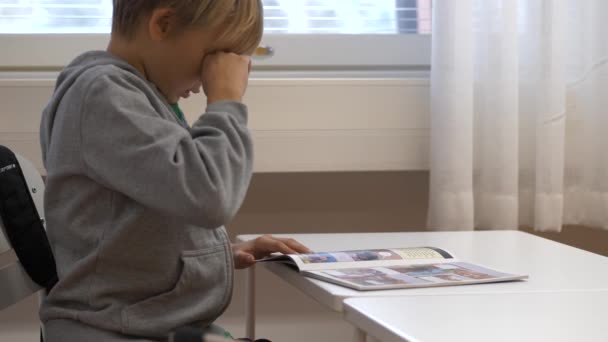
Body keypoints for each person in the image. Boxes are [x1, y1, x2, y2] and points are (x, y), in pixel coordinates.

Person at [39, 1, 310, 341]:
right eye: (213, 58)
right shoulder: (103, 95)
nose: (209, 77)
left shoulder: (133, 96)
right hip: (112, 331)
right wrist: (225, 99)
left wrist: (218, 257)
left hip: (140, 324)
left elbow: (131, 232)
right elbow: (211, 197)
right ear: (163, 24)